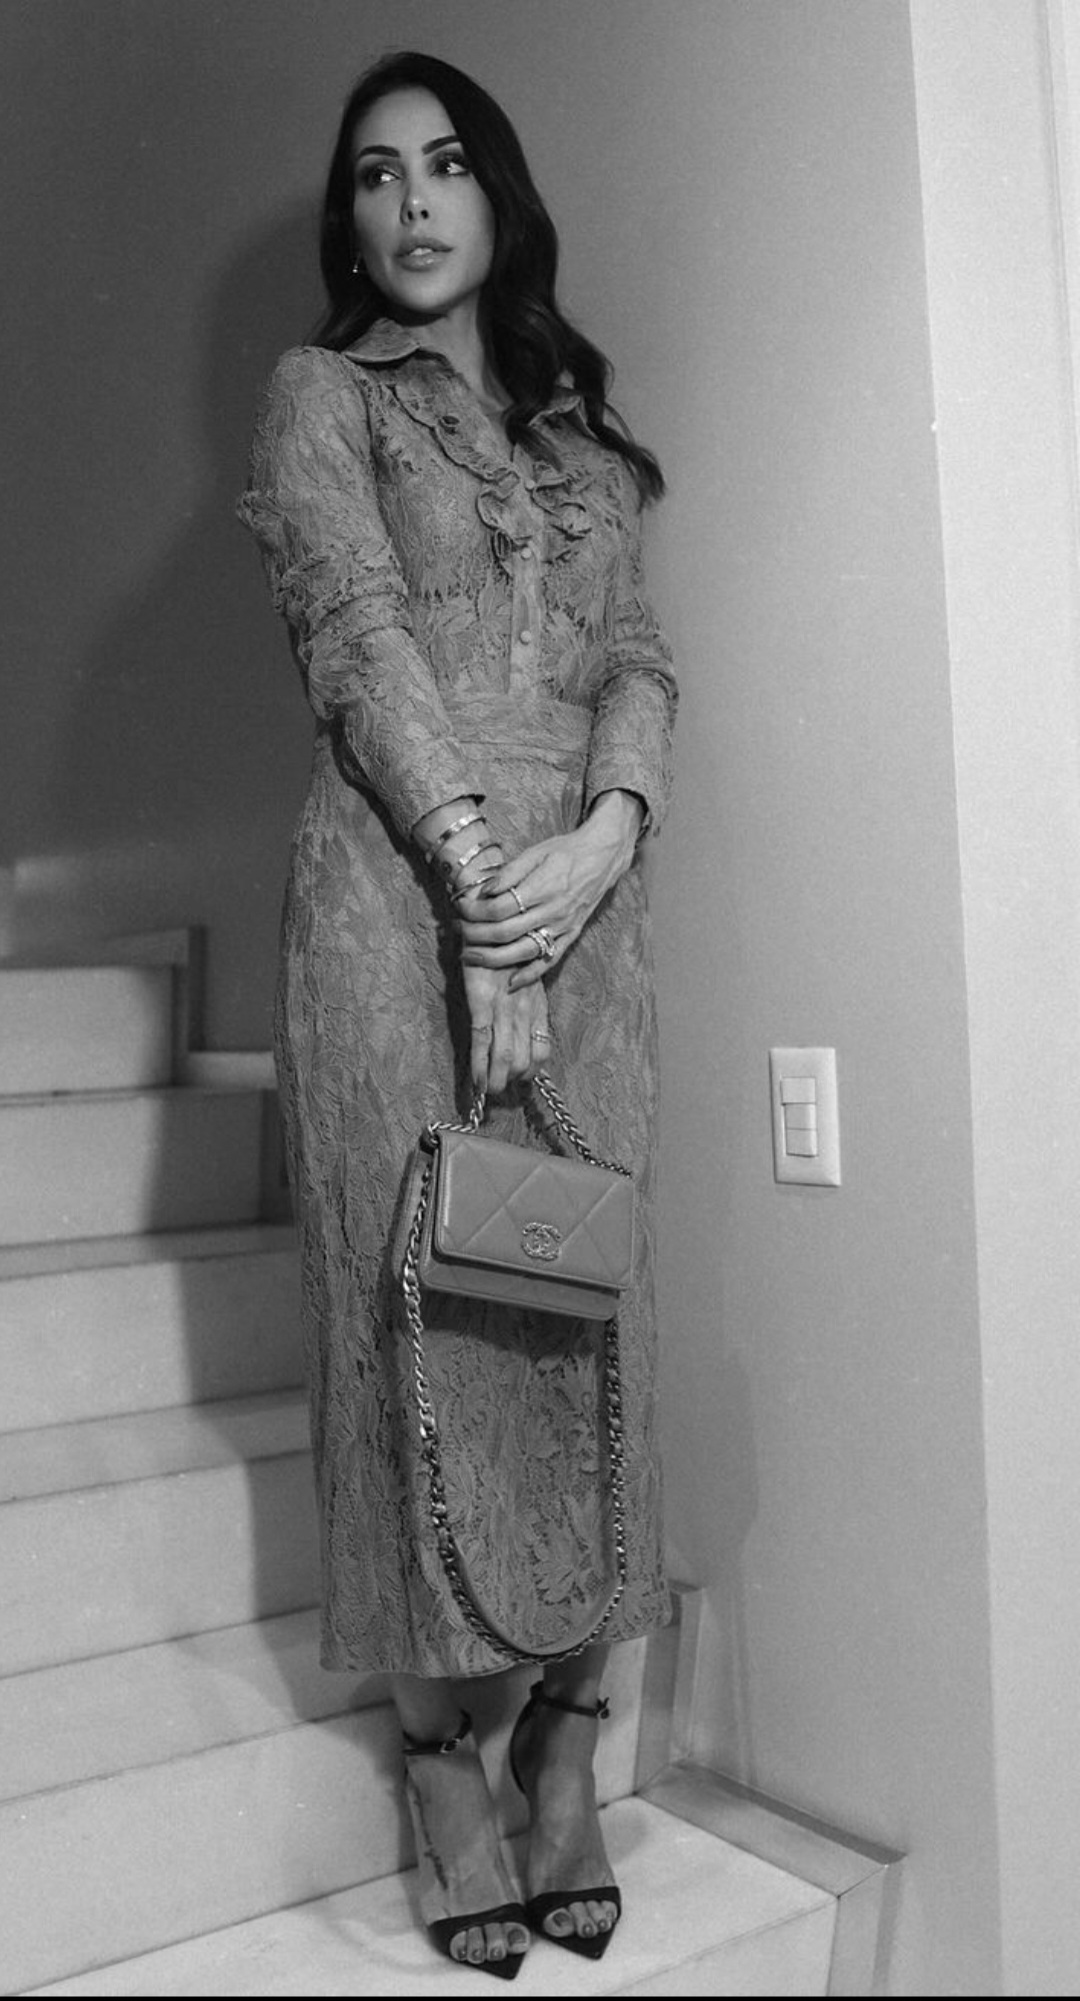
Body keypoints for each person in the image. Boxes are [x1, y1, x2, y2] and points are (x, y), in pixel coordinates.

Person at [237, 49, 677, 1979]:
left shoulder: (588, 447)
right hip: (393, 894)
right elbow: (354, 634)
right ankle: (441, 1758)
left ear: (498, 196)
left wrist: (606, 837)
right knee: (400, 1297)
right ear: (351, 219)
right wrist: (482, 880)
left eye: (443, 167)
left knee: (582, 1300)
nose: (411, 204)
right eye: (373, 175)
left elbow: (640, 658)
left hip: (585, 903)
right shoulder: (321, 397)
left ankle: (567, 1732)